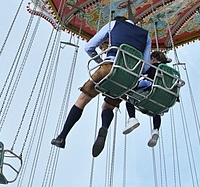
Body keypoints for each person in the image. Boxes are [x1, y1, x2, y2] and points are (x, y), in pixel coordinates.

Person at [51, 16, 151, 156]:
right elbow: (146, 66)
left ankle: (62, 136)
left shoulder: (114, 24)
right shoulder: (146, 36)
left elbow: (89, 47)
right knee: (108, 106)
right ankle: (104, 128)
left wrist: (100, 61)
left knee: (82, 100)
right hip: (129, 77)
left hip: (110, 67)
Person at [123, 50, 171, 147]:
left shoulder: (152, 67)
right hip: (165, 95)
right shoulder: (168, 70)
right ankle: (156, 130)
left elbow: (141, 74)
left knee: (129, 100)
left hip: (151, 90)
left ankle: (132, 118)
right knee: (156, 111)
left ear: (153, 58)